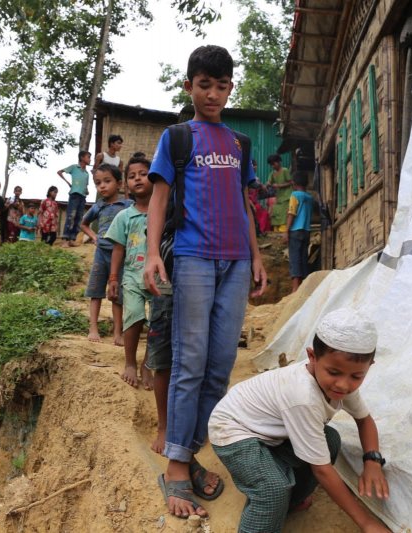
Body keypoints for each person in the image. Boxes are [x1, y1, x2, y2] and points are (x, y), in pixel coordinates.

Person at [143, 45, 267, 519]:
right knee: (189, 361)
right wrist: (151, 254)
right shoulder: (177, 137)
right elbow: (159, 199)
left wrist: (256, 255)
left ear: (230, 88)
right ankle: (176, 467)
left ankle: (188, 449)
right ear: (189, 86)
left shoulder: (239, 143)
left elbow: (243, 204)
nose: (213, 94)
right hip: (193, 257)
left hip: (236, 263)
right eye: (204, 85)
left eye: (221, 86)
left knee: (220, 365)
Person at [208, 308, 390, 533]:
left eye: (356, 376)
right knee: (272, 490)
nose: (343, 384)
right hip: (232, 429)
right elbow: (321, 470)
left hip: (268, 431)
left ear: (369, 367)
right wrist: (367, 523)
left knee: (330, 440)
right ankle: (271, 505)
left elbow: (364, 420)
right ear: (312, 357)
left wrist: (372, 460)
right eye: (334, 372)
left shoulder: (340, 384)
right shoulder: (303, 396)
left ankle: (288, 502)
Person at [105, 156, 154, 389]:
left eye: (143, 174)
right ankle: (130, 363)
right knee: (133, 315)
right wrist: (113, 278)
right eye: (132, 176)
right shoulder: (124, 216)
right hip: (133, 276)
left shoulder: (164, 213)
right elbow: (118, 249)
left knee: (159, 323)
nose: (138, 179)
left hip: (161, 279)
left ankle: (148, 365)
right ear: (126, 185)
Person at [80, 163, 132, 345]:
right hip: (101, 254)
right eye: (98, 183)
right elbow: (83, 224)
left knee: (117, 295)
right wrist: (94, 237)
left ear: (119, 184)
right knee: (96, 291)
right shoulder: (98, 206)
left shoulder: (127, 205)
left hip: (122, 255)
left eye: (107, 181)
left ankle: (117, 333)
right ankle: (93, 328)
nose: (102, 186)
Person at [286, 171, 313, 293]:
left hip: (295, 231)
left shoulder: (294, 195)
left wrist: (286, 231)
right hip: (306, 231)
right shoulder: (310, 198)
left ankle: (295, 288)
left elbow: (292, 213)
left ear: (294, 183)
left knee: (295, 258)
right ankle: (304, 287)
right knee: (303, 258)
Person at [57, 150, 91, 247]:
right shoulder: (74, 167)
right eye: (88, 157)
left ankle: (72, 239)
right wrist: (68, 183)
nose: (90, 159)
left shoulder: (86, 173)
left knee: (79, 218)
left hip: (83, 197)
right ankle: (65, 239)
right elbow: (59, 172)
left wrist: (86, 191)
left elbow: (86, 186)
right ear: (82, 158)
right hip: (74, 195)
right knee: (70, 216)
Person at [267, 153, 293, 231]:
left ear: (278, 162)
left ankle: (284, 229)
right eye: (271, 165)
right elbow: (269, 182)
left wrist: (279, 185)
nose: (273, 166)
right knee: (276, 212)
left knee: (284, 214)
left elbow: (291, 182)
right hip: (278, 198)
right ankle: (276, 228)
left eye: (274, 164)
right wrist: (268, 184)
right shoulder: (272, 173)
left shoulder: (285, 170)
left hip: (286, 196)